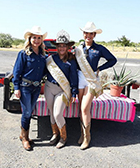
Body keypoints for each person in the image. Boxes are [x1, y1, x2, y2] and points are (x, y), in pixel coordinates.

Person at [75, 22, 117, 150]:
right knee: (80, 109)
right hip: (79, 78)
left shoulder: (99, 48)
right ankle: (82, 134)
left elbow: (113, 60)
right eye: (86, 33)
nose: (88, 35)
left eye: (91, 33)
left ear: (94, 35)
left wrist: (100, 68)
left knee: (85, 108)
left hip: (91, 80)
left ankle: (87, 137)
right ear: (83, 34)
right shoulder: (78, 49)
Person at [11, 26, 47, 151]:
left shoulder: (43, 55)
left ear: (42, 40)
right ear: (29, 39)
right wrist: (16, 87)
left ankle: (23, 134)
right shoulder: (23, 53)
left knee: (30, 111)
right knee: (26, 112)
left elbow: (45, 71)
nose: (36, 40)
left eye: (39, 38)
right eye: (34, 38)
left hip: (36, 88)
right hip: (25, 87)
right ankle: (25, 138)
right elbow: (17, 71)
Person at [45, 30, 79, 149]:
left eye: (64, 46)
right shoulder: (51, 59)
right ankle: (55, 134)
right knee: (51, 113)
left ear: (68, 47)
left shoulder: (71, 60)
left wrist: (74, 93)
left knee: (58, 113)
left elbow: (74, 78)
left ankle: (63, 137)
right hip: (49, 87)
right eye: (59, 46)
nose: (62, 48)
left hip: (62, 90)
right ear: (57, 47)